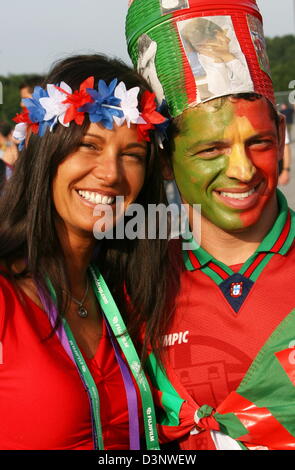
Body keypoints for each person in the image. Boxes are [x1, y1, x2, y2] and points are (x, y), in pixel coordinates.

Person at [126, 0, 295, 450]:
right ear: (164, 159)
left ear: (280, 135)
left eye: (258, 142)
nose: (242, 170)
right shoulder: (133, 280)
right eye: (211, 150)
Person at [0, 54, 173, 450]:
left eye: (131, 155)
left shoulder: (130, 290)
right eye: (88, 146)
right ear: (46, 155)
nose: (111, 173)